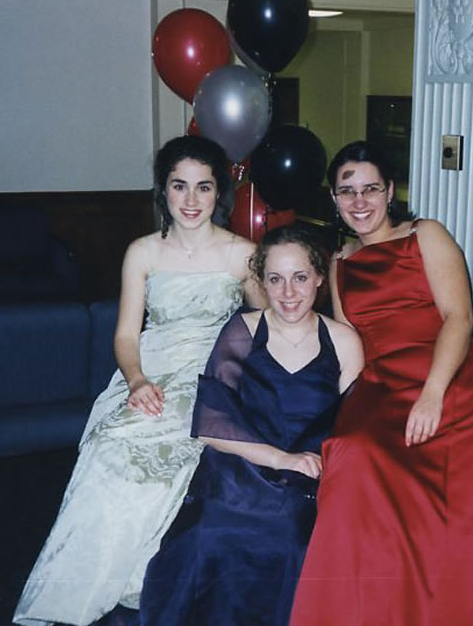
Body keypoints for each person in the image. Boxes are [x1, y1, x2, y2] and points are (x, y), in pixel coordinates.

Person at [14, 135, 266, 626]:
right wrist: (135, 382)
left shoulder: (243, 254)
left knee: (176, 454)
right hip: (147, 369)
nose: (190, 200)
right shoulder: (142, 253)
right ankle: (77, 593)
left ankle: (145, 583)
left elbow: (270, 326)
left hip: (210, 374)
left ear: (219, 193)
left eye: (203, 187)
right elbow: (127, 336)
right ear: (163, 190)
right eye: (179, 185)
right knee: (108, 448)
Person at [289, 141, 473, 625]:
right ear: (333, 198)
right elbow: (350, 343)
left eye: (371, 189)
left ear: (390, 191)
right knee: (350, 457)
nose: (359, 201)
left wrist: (432, 395)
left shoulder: (424, 235)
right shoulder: (339, 261)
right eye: (347, 191)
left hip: (451, 381)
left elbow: (460, 318)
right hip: (381, 385)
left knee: (454, 523)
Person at [138, 224, 364, 626]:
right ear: (261, 281)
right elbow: (212, 423)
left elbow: (354, 427)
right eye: (275, 279)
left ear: (318, 278)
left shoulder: (343, 341)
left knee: (292, 539)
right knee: (208, 534)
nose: (288, 292)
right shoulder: (242, 331)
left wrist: (321, 470)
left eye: (299, 277)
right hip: (240, 466)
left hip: (309, 475)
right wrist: (280, 458)